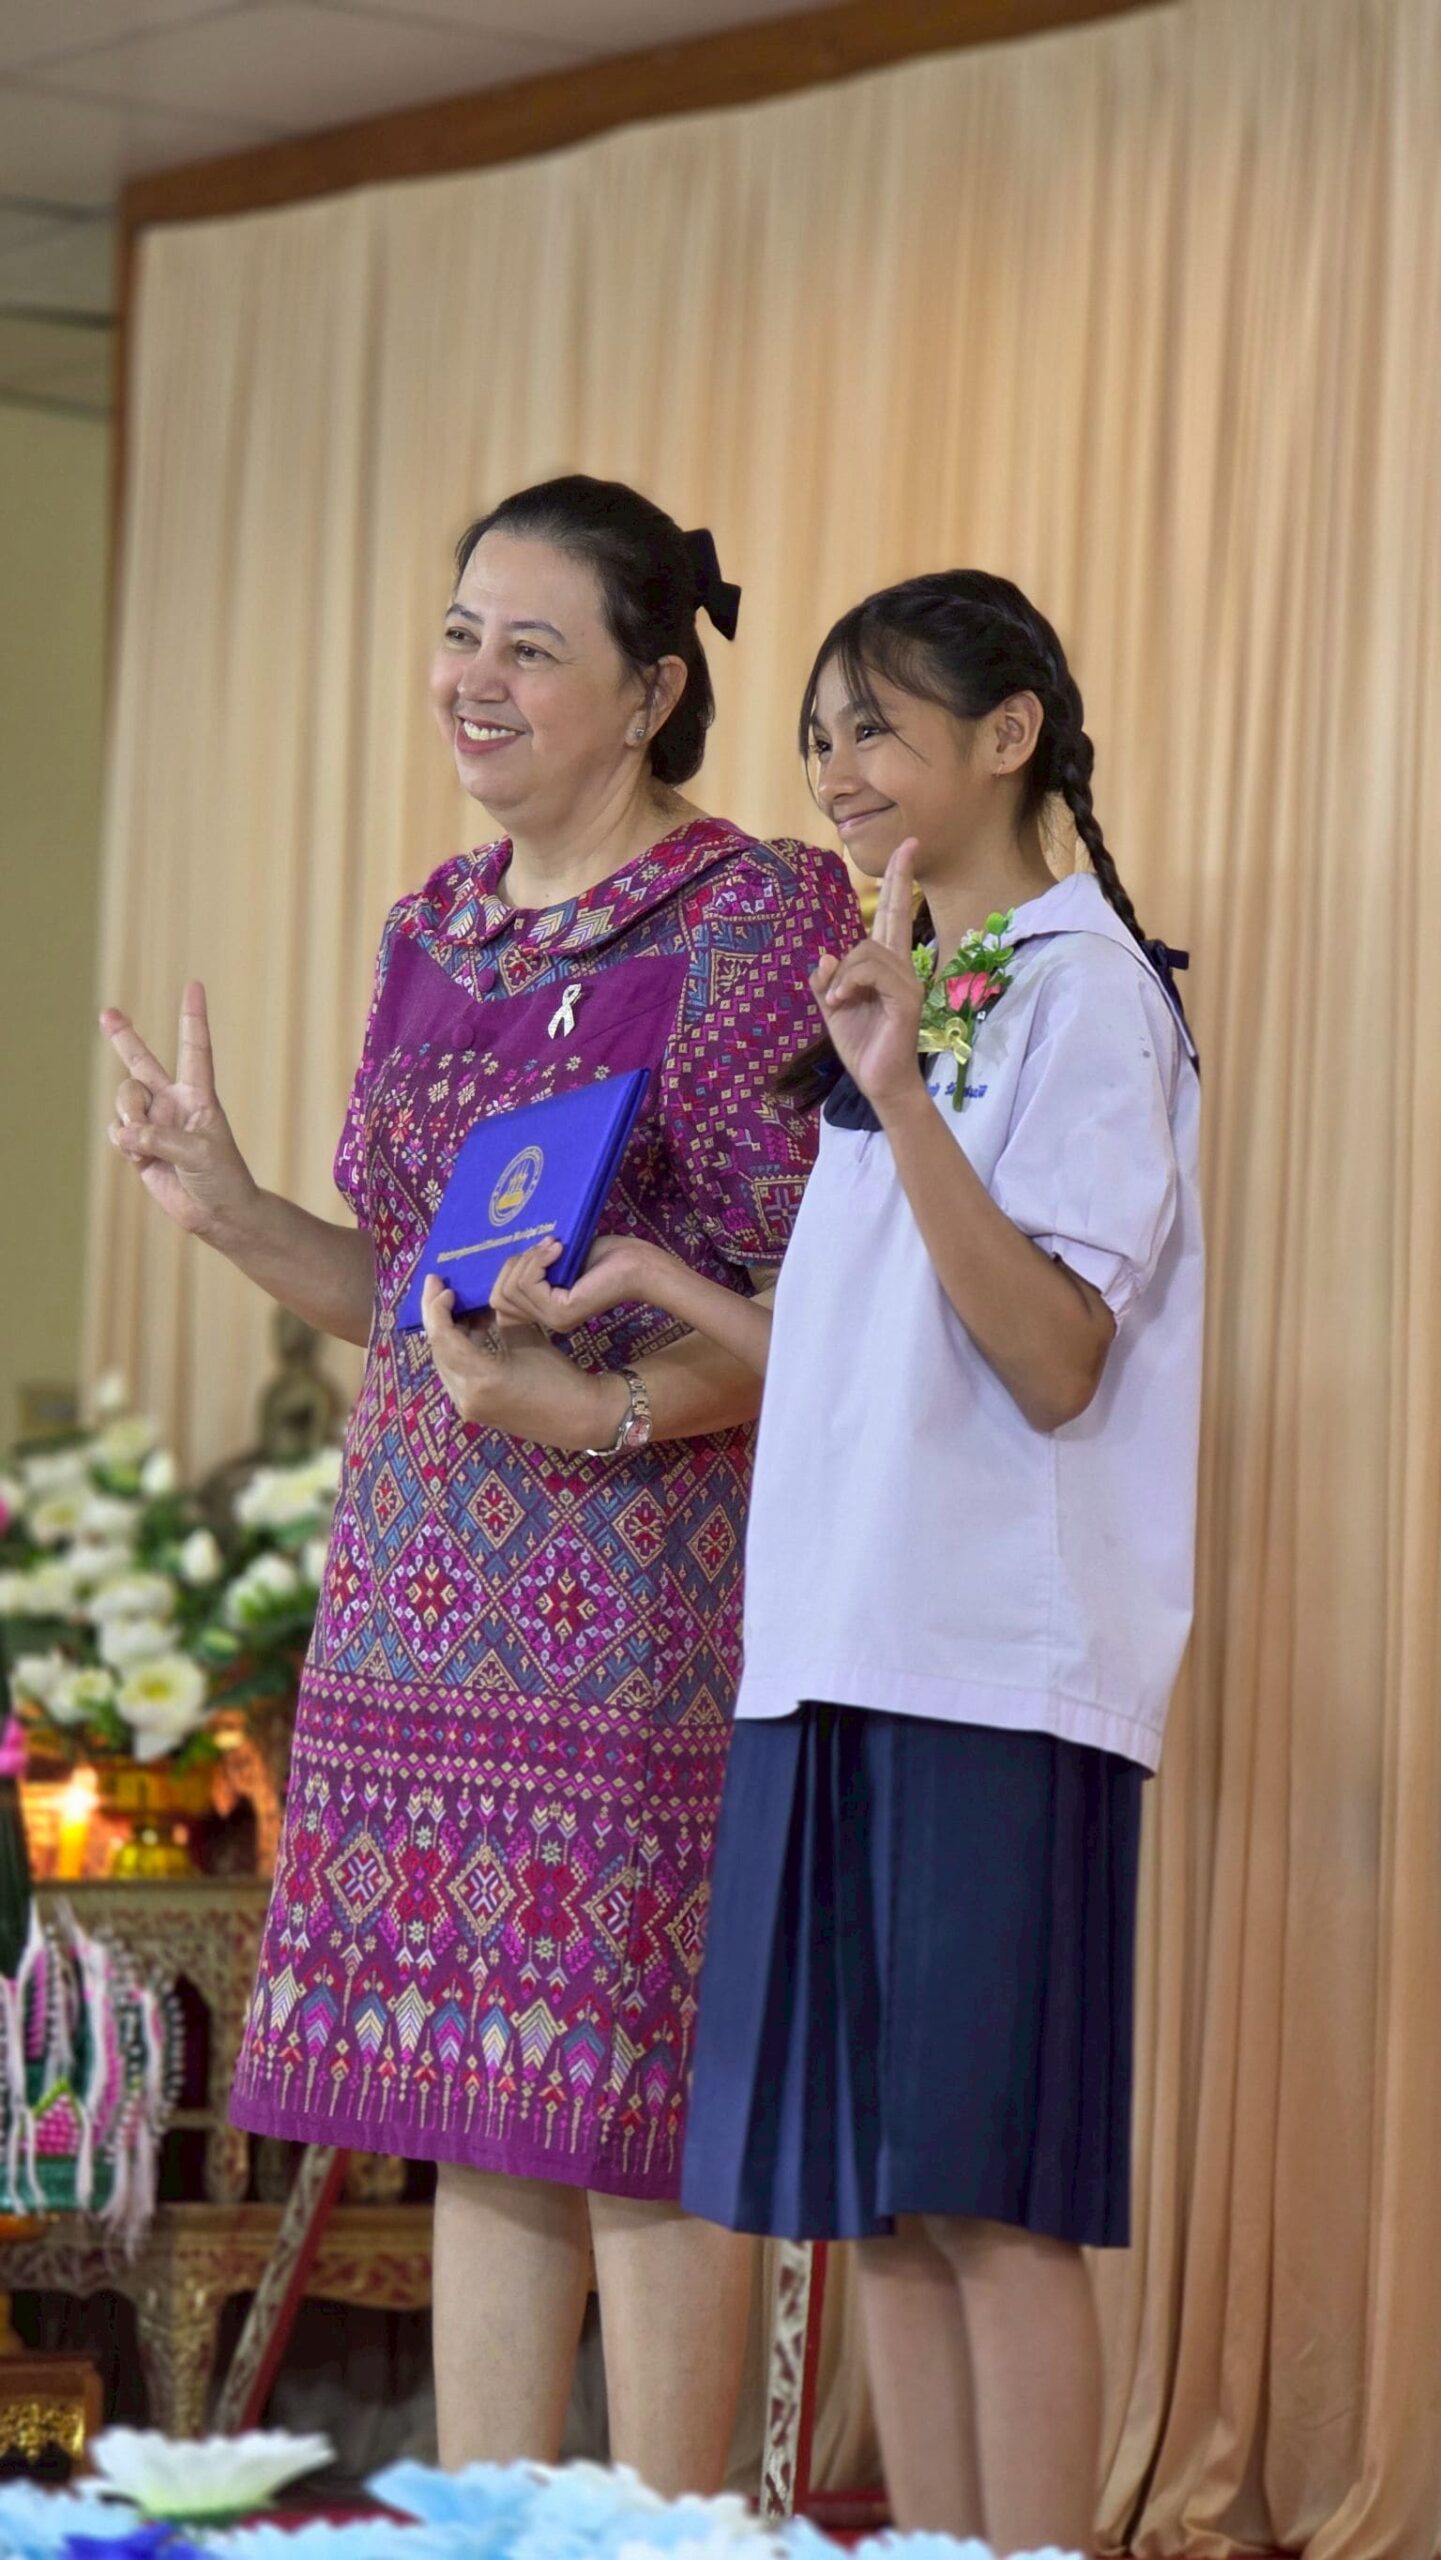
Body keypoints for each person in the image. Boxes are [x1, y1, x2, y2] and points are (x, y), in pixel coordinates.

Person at [99, 475, 857, 2491]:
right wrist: (232, 1207)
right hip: (419, 1583)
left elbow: (820, 1306)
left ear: (651, 690)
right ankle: (495, 2532)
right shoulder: (430, 924)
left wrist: (586, 1415)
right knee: (479, 2106)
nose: (474, 679)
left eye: (531, 646)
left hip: (638, 1585)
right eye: (459, 634)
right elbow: (405, 1295)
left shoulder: (750, 913)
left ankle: (673, 2536)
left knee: (633, 2111)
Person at [497, 569, 1203, 2553]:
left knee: (989, 2196)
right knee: (877, 2199)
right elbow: (873, 1352)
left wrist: (894, 1091)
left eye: (875, 725)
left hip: (990, 1661)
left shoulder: (1083, 990)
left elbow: (1051, 1354)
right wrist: (666, 1284)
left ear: (1009, 735)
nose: (836, 769)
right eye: (818, 736)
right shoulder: (918, 986)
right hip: (830, 1645)